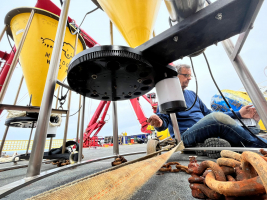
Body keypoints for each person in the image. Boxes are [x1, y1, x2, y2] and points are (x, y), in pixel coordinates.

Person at [147, 64, 267, 157]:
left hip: (206, 129)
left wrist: (239, 114)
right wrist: (159, 123)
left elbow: (208, 114)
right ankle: (260, 145)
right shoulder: (168, 97)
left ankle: (209, 145)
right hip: (186, 135)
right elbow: (164, 120)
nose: (189, 78)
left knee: (254, 128)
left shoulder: (192, 94)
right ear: (175, 75)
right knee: (218, 119)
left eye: (190, 75)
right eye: (186, 75)